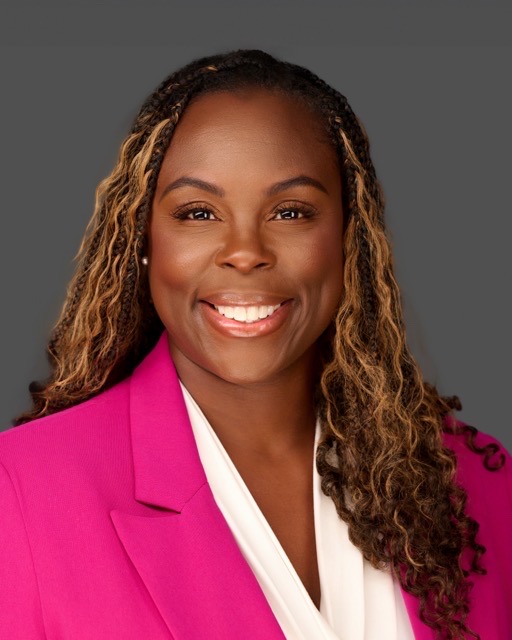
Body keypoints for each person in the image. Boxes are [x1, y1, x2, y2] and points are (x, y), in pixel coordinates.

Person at [0, 49, 510, 640]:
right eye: (197, 213)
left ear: (352, 238)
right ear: (143, 240)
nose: (245, 251)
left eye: (291, 211)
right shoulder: (21, 496)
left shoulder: (473, 481)